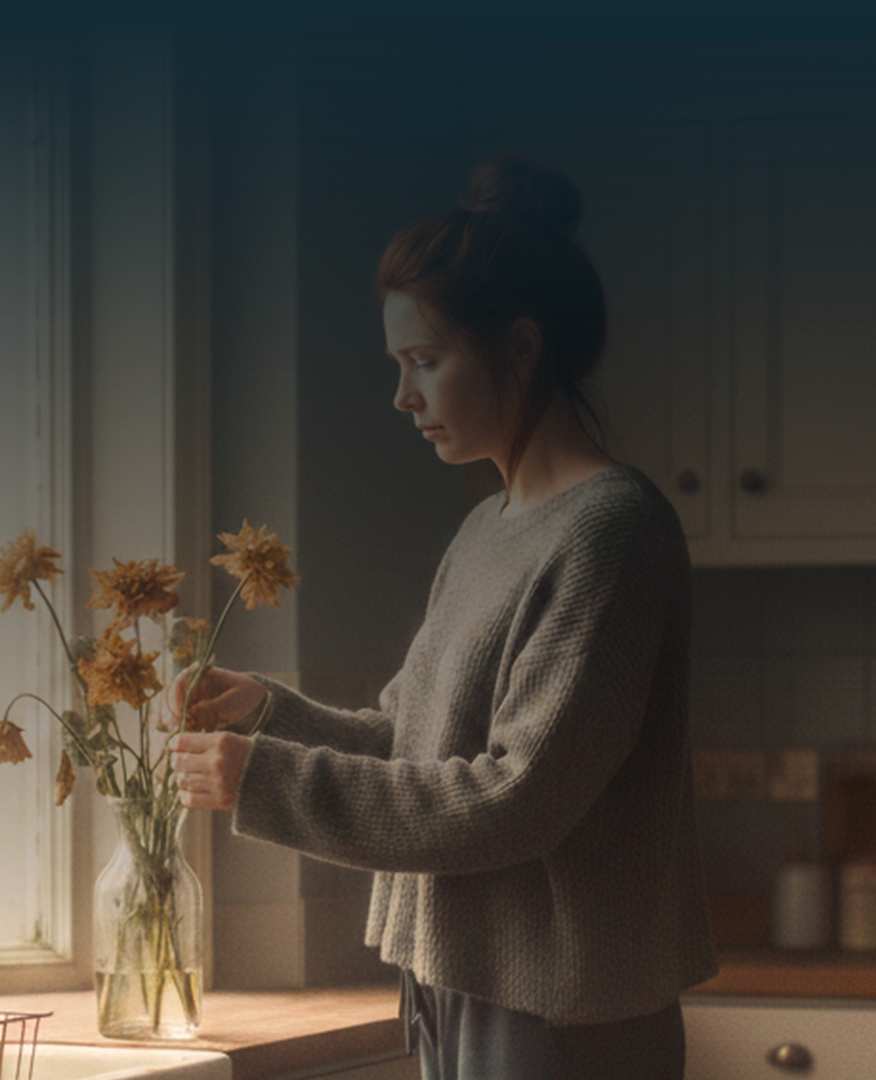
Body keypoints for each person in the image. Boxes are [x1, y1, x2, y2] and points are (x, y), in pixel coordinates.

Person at [167, 155, 717, 1080]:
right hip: (455, 982)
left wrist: (263, 780)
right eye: (398, 365)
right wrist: (263, 712)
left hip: (562, 1016)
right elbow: (411, 740)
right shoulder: (483, 529)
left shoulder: (613, 531)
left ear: (521, 347)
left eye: (425, 361)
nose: (403, 396)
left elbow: (514, 798)